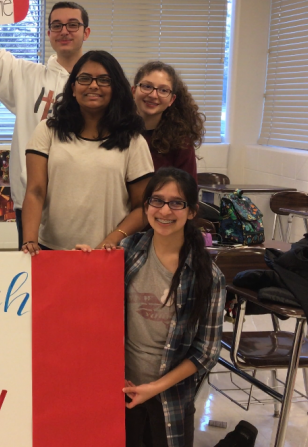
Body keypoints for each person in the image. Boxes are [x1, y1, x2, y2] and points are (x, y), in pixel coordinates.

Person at [82, 167, 225, 447]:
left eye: (177, 203)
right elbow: (90, 306)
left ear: (192, 211)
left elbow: (206, 351)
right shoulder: (127, 251)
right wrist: (84, 264)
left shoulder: (208, 275)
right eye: (157, 200)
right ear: (146, 206)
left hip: (169, 396)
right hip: (118, 387)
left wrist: (154, 388)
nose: (165, 211)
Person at [0, 0, 91, 247]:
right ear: (48, 33)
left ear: (86, 32)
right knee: (38, 279)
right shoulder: (26, 75)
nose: (64, 31)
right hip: (32, 198)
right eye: (57, 25)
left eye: (73, 25)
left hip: (83, 198)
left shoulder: (100, 83)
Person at [21, 50, 154, 255]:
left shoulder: (133, 140)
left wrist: (112, 239)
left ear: (116, 88)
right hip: (50, 251)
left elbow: (142, 207)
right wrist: (30, 241)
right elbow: (35, 191)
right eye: (84, 79)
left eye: (103, 80)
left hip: (108, 253)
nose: (93, 85)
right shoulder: (47, 130)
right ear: (73, 88)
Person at [132, 61, 204, 178]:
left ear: (171, 100)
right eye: (147, 86)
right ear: (133, 91)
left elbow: (187, 192)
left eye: (163, 90)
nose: (153, 95)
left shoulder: (181, 144)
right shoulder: (115, 133)